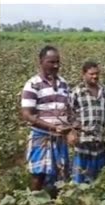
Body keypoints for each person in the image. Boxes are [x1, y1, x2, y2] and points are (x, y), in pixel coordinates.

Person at [20, 45, 72, 194]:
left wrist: (72, 127)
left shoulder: (64, 84)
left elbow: (68, 109)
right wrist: (52, 127)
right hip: (41, 137)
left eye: (57, 62)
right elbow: (27, 115)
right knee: (38, 174)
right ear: (41, 61)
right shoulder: (32, 84)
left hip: (60, 137)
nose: (55, 66)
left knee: (60, 176)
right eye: (51, 62)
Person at [70, 61, 105, 184]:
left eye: (97, 74)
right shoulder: (77, 92)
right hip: (83, 141)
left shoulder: (104, 91)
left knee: (100, 176)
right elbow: (69, 114)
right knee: (80, 176)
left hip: (100, 140)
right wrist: (72, 131)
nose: (95, 76)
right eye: (91, 74)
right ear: (83, 74)